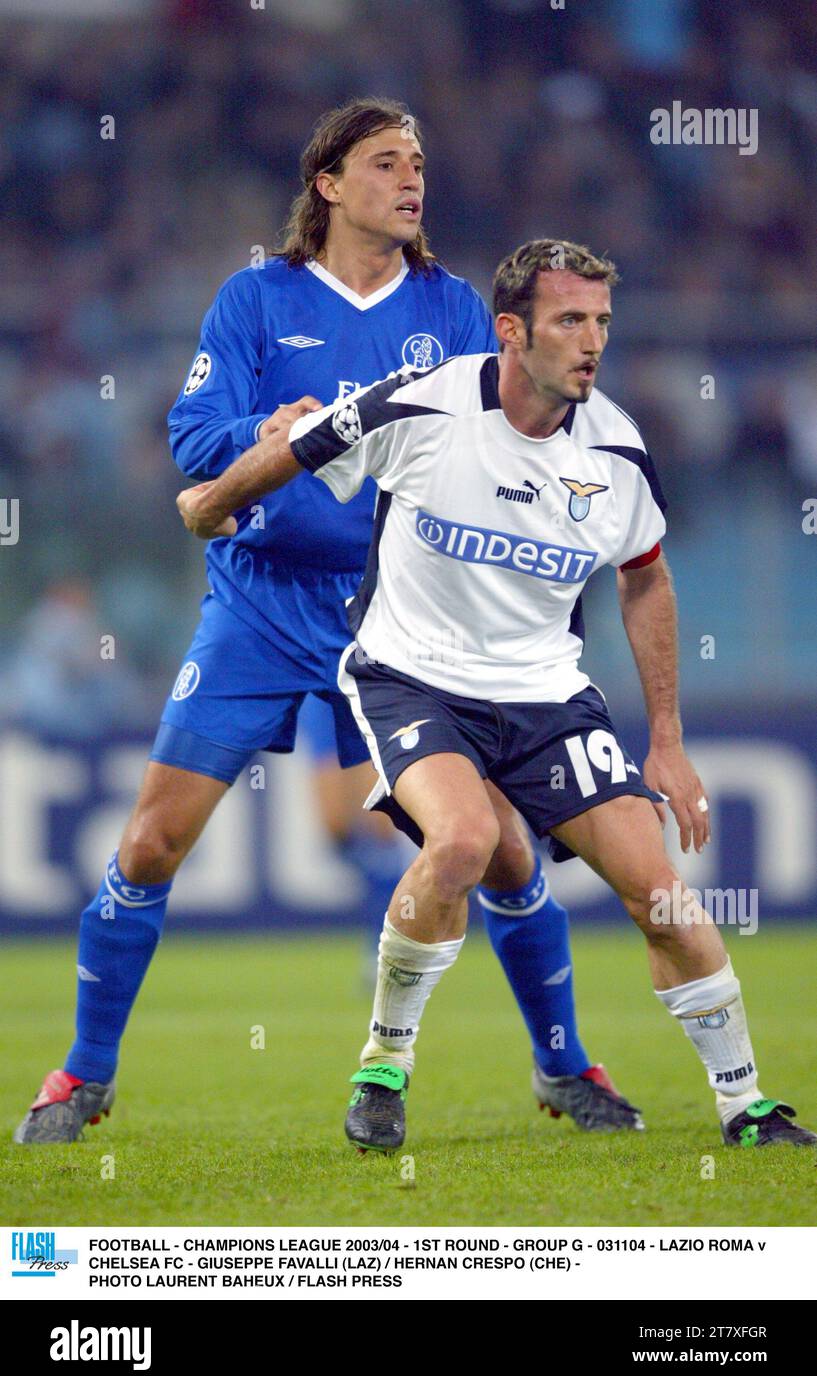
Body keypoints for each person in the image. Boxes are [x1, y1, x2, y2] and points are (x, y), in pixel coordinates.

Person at [15, 101, 632, 1145]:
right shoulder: (256, 299)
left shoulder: (448, 308)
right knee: (155, 838)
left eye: (421, 163)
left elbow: (513, 443)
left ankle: (564, 1064)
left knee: (502, 855)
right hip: (256, 600)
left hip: (397, 614)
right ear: (329, 184)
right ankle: (82, 1075)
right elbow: (190, 434)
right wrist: (258, 430)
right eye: (386, 161)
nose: (411, 179)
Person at [176, 238, 816, 1154]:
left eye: (599, 321)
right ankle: (383, 1068)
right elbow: (297, 447)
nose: (590, 341)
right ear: (510, 331)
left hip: (545, 695)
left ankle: (744, 1104)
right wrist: (212, 503)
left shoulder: (618, 451)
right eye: (568, 321)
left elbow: (644, 578)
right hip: (411, 678)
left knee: (659, 895)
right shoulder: (425, 402)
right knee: (466, 842)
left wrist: (666, 740)